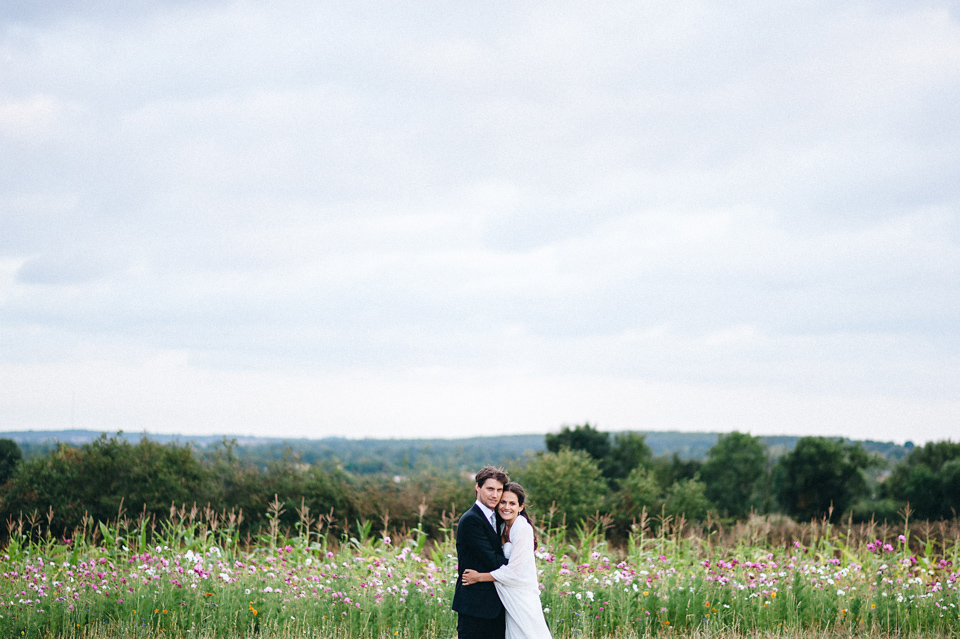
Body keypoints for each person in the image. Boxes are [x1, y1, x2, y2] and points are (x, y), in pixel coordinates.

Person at [462, 482, 552, 639]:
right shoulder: (501, 525)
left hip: (521, 596)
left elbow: (514, 572)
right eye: (503, 502)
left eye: (512, 503)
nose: (506, 507)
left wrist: (478, 577)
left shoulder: (522, 528)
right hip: (507, 597)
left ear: (521, 507)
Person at [452, 466, 510, 639]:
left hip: (497, 605)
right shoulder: (471, 520)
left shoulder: (499, 517)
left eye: (499, 490)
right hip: (475, 607)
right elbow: (492, 560)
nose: (495, 495)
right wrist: (519, 566)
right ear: (478, 487)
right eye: (490, 489)